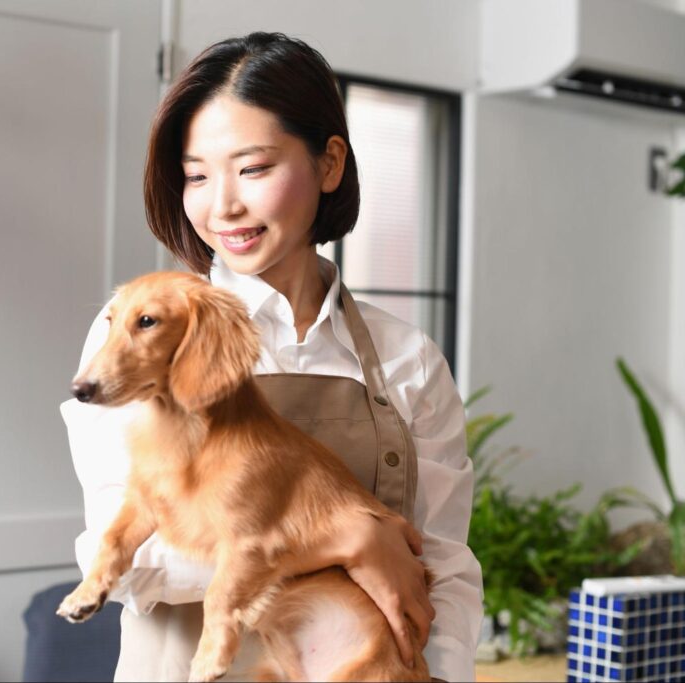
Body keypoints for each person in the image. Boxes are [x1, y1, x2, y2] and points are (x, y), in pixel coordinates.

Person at [60, 31, 483, 682]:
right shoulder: (138, 336)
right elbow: (126, 566)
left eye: (252, 168)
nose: (221, 204)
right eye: (196, 175)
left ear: (330, 163)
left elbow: (446, 568)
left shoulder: (409, 361)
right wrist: (344, 538)